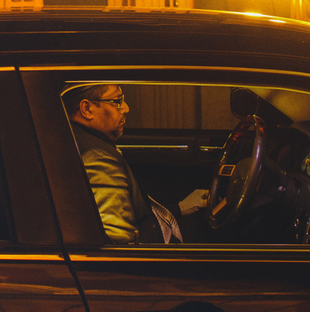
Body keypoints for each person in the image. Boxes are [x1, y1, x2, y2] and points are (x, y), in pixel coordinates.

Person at [64, 84, 206, 244]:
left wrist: (180, 208)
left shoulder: (85, 141)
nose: (126, 108)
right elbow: (121, 246)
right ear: (87, 109)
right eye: (117, 100)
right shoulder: (98, 157)